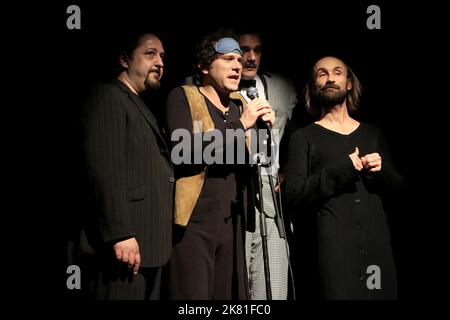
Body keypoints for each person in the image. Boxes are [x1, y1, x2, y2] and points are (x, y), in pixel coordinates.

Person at [165, 29, 275, 299]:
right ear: (204, 66)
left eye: (238, 61)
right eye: (227, 59)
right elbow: (184, 150)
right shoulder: (184, 97)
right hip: (195, 222)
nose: (237, 66)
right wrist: (242, 125)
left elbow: (261, 159)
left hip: (233, 223)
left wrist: (263, 129)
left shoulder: (241, 105)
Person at [284, 56, 404, 299]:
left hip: (377, 249)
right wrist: (341, 169)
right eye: (322, 74)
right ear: (313, 85)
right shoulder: (303, 137)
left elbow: (400, 191)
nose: (330, 78)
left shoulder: (373, 133)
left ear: (349, 83)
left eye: (337, 72)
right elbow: (292, 196)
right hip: (334, 254)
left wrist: (381, 172)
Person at [81, 31, 174, 299]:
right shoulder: (108, 97)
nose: (160, 62)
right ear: (124, 59)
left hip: (148, 247)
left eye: (162, 56)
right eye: (150, 53)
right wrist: (120, 233)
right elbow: (103, 171)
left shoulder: (138, 105)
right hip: (124, 249)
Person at [237, 31, 297, 300]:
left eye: (257, 50)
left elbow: (299, 136)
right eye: (243, 50)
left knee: (272, 286)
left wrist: (288, 173)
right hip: (235, 192)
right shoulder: (213, 87)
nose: (250, 58)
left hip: (271, 196)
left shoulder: (282, 88)